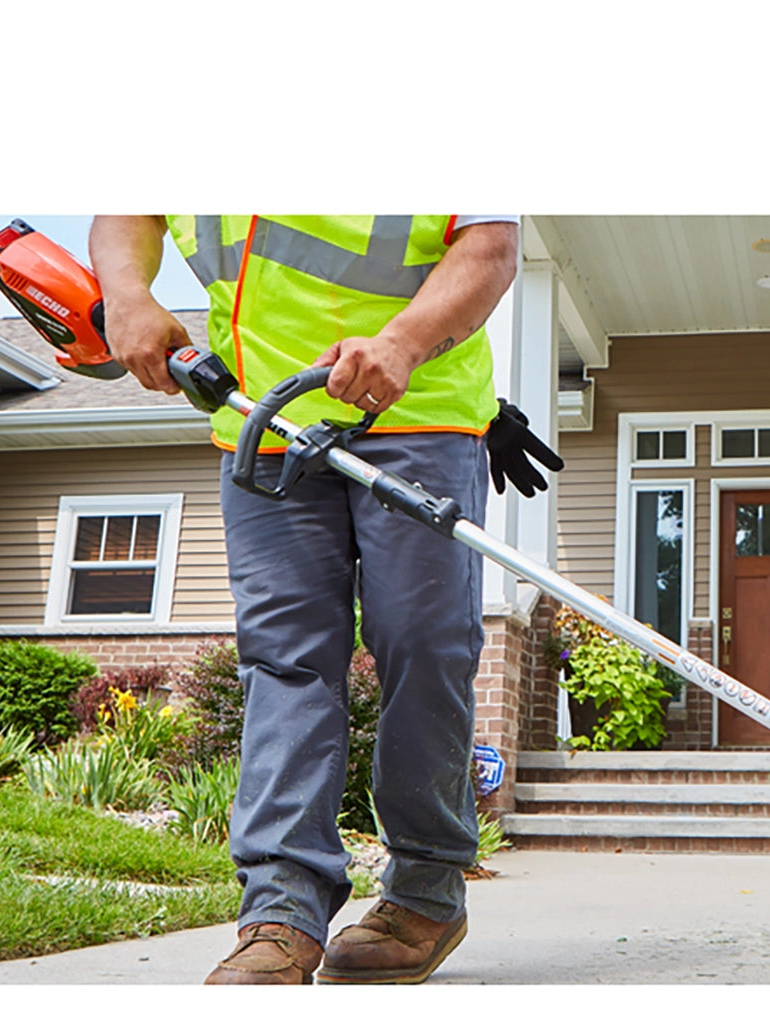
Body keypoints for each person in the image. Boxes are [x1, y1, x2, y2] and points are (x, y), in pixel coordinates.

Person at [90, 214, 532, 984]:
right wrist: (125, 292)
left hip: (415, 407)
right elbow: (127, 209)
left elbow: (490, 246)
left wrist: (401, 341)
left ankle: (425, 893)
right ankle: (281, 912)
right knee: (285, 658)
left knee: (423, 643)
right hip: (263, 423)